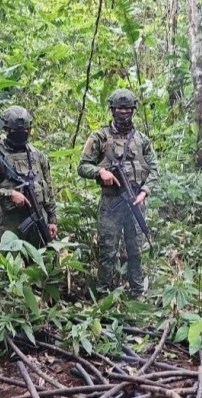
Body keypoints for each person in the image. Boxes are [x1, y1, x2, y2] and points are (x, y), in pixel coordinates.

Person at [78, 89, 159, 300]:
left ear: (133, 110)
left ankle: (137, 292)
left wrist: (145, 191)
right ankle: (104, 295)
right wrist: (100, 171)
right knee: (107, 252)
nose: (124, 112)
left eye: (127, 109)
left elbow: (154, 170)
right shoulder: (99, 137)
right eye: (119, 109)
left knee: (135, 251)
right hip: (111, 203)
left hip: (135, 202)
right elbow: (82, 166)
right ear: (112, 110)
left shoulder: (141, 140)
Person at [0, 106, 57, 246]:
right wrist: (10, 195)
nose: (21, 134)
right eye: (16, 131)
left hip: (39, 221)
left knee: (41, 264)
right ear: (7, 130)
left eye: (25, 131)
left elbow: (48, 188)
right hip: (9, 225)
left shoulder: (37, 156)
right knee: (9, 265)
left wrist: (52, 220)